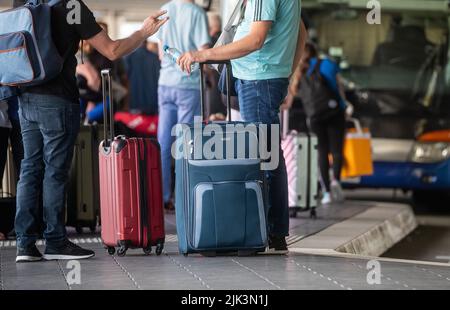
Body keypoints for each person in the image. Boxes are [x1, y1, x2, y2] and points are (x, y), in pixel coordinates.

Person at [13, 0, 168, 263]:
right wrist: (143, 32)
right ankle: (55, 241)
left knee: (30, 168)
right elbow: (112, 50)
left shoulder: (23, 1)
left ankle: (25, 245)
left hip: (25, 96)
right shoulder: (71, 5)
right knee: (55, 171)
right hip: (57, 101)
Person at [177, 0, 307, 253]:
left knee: (263, 159)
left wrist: (201, 54)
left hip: (259, 78)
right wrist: (285, 73)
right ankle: (274, 232)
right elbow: (300, 29)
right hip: (267, 77)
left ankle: (267, 232)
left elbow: (255, 40)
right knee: (269, 155)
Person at [155, 0, 211, 212]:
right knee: (186, 143)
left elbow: (161, 52)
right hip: (188, 84)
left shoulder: (165, 9)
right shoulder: (197, 12)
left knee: (163, 141)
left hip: (165, 83)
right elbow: (203, 51)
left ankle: (162, 196)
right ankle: (183, 196)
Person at [288, 42, 349, 205]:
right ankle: (336, 180)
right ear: (315, 52)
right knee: (336, 150)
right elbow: (339, 87)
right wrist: (345, 105)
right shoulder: (328, 64)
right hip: (335, 112)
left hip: (314, 116)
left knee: (322, 152)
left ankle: (327, 192)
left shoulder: (298, 70)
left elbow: (292, 96)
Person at [124, 40, 161, 115]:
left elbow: (125, 78)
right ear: (146, 42)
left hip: (135, 102)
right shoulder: (155, 58)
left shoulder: (129, 58)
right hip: (153, 102)